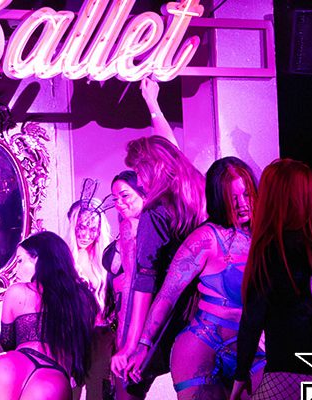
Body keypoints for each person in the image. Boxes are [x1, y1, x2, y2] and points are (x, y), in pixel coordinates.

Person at [124, 157, 266, 399]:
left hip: (247, 348)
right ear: (219, 199)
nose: (242, 204)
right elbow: (167, 295)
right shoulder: (205, 239)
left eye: (246, 194)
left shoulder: (263, 238)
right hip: (200, 347)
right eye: (233, 198)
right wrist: (142, 345)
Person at [110, 79, 207, 399]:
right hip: (199, 310)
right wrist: (153, 104)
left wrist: (132, 343)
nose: (139, 179)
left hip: (163, 316)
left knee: (129, 382)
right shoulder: (196, 196)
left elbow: (144, 283)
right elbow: (172, 151)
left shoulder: (155, 214)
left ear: (153, 169)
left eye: (139, 172)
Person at [230, 159, 312, 400]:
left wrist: (240, 375)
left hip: (287, 375)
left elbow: (252, 319)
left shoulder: (269, 251)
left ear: (270, 198)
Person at [0, 231, 98, 400]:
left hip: (8, 367)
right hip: (52, 378)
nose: (16, 269)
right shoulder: (82, 297)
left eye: (20, 261)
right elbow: (83, 348)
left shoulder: (16, 292)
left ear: (38, 259)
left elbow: (7, 342)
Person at [101, 170, 146, 399]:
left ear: (144, 194)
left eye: (125, 195)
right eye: (115, 198)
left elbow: (135, 288)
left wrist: (131, 344)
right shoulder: (125, 228)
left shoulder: (150, 231)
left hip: (141, 328)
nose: (119, 203)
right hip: (122, 326)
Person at [65, 189, 113, 400]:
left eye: (92, 229)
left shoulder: (104, 260)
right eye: (81, 227)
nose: (86, 234)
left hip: (100, 336)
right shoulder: (63, 259)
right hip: (70, 337)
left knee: (98, 394)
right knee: (69, 392)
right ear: (73, 225)